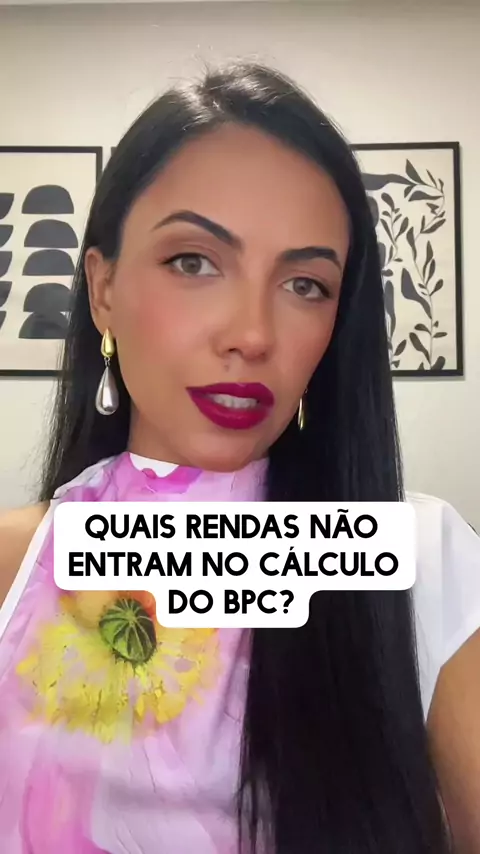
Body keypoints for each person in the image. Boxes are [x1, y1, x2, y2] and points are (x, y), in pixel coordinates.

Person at [0, 63, 479, 854]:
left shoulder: (420, 562)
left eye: (305, 284)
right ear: (103, 288)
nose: (252, 335)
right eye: (194, 262)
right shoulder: (14, 564)